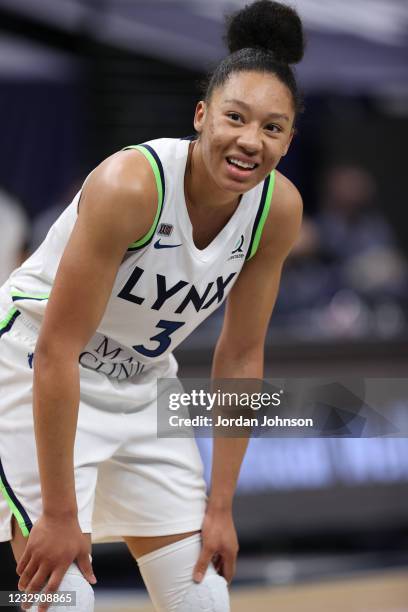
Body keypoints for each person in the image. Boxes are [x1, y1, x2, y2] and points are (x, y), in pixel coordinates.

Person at [0, 1, 304, 610]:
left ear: (290, 139)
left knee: (203, 599)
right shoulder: (131, 185)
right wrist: (59, 513)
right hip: (40, 365)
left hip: (143, 384)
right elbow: (59, 348)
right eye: (235, 118)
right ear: (201, 115)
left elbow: (242, 355)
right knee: (61, 599)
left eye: (272, 128)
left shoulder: (278, 209)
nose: (250, 141)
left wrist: (220, 507)